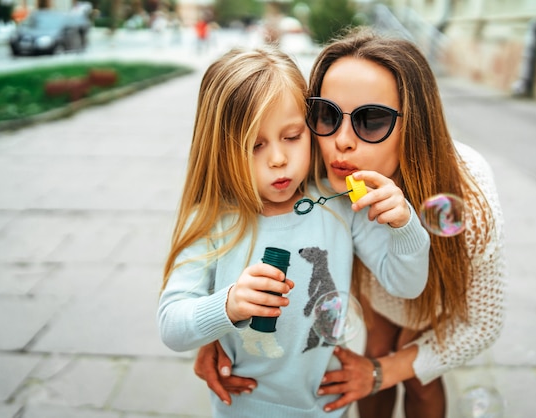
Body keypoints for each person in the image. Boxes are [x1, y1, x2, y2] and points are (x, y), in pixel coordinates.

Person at [194, 27, 506, 418]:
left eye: (371, 119)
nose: (341, 141)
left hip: (431, 287)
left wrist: (383, 372)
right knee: (373, 351)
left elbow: (484, 323)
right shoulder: (309, 160)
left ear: (415, 124)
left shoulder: (470, 200)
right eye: (325, 113)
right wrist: (217, 329)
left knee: (415, 378)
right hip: (372, 280)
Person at [158, 44, 431, 418]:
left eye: (292, 136)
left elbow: (406, 285)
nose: (278, 159)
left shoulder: (338, 204)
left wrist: (405, 227)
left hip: (327, 407)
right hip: (245, 407)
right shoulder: (213, 219)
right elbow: (172, 325)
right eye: (256, 145)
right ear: (221, 148)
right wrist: (228, 304)